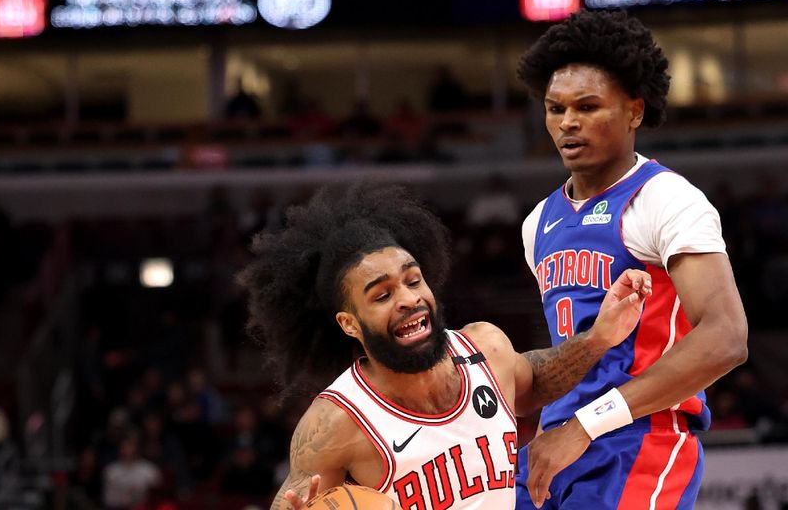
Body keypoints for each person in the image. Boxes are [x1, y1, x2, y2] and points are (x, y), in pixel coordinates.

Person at [239, 182, 653, 510]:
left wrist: (599, 337)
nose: (407, 298)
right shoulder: (334, 423)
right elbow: (294, 499)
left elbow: (535, 381)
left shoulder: (485, 347)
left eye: (413, 279)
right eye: (381, 296)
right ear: (349, 324)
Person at [513, 9, 748, 509]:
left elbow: (727, 337)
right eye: (555, 109)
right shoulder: (539, 221)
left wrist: (586, 424)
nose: (568, 122)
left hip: (637, 437)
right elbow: (568, 352)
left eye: (588, 106)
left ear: (635, 111)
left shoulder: (666, 198)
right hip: (555, 440)